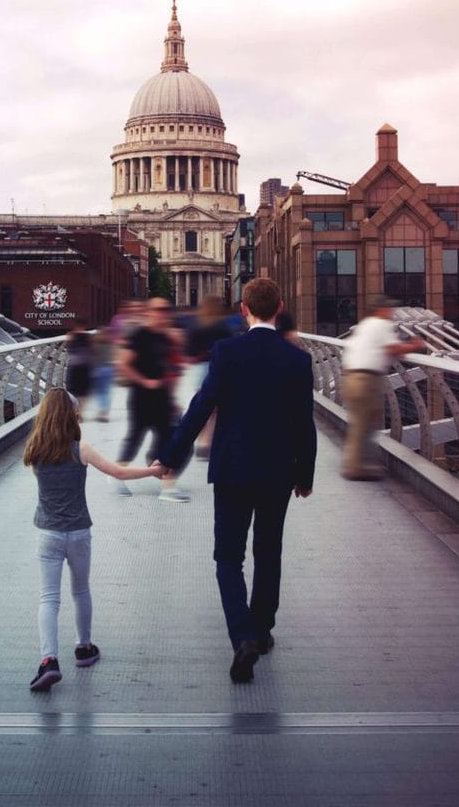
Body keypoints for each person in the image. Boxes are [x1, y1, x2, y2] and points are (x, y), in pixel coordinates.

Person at [153, 277, 316, 683]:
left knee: (228, 557)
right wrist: (305, 474)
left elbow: (200, 406)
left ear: (243, 309)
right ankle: (261, 631)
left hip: (232, 468)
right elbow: (305, 424)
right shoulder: (297, 359)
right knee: (269, 552)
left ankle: (241, 635)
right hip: (278, 469)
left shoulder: (226, 352)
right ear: (278, 308)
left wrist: (172, 455)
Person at [23, 388, 165, 692]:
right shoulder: (81, 449)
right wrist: (152, 470)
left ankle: (49, 660)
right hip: (78, 533)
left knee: (49, 597)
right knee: (80, 590)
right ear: (73, 415)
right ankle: (84, 648)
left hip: (47, 533)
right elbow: (118, 472)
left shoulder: (35, 447)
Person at [340, 296, 427, 481]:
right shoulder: (382, 325)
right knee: (365, 424)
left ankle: (360, 463)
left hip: (351, 377)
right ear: (381, 310)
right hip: (367, 379)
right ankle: (355, 468)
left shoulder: (364, 326)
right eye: (389, 310)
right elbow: (392, 349)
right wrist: (415, 345)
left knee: (361, 422)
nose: (391, 313)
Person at [116, 297, 189, 502]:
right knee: (135, 438)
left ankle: (167, 486)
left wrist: (173, 398)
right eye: (159, 309)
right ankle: (116, 474)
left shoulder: (165, 338)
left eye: (166, 309)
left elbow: (170, 369)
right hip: (141, 397)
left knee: (172, 440)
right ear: (149, 312)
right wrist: (145, 381)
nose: (163, 313)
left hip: (162, 398)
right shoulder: (139, 335)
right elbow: (123, 364)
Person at [184, 298, 235, 459]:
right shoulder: (222, 326)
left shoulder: (196, 325)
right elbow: (229, 346)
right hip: (216, 368)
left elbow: (189, 351)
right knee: (215, 409)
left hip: (199, 369)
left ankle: (202, 439)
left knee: (202, 405)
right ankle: (206, 441)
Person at [63, 326, 93, 417]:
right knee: (83, 392)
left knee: (72, 390)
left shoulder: (71, 336)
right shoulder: (88, 337)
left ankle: (74, 411)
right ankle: (81, 412)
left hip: (73, 368)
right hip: (85, 368)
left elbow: (69, 351)